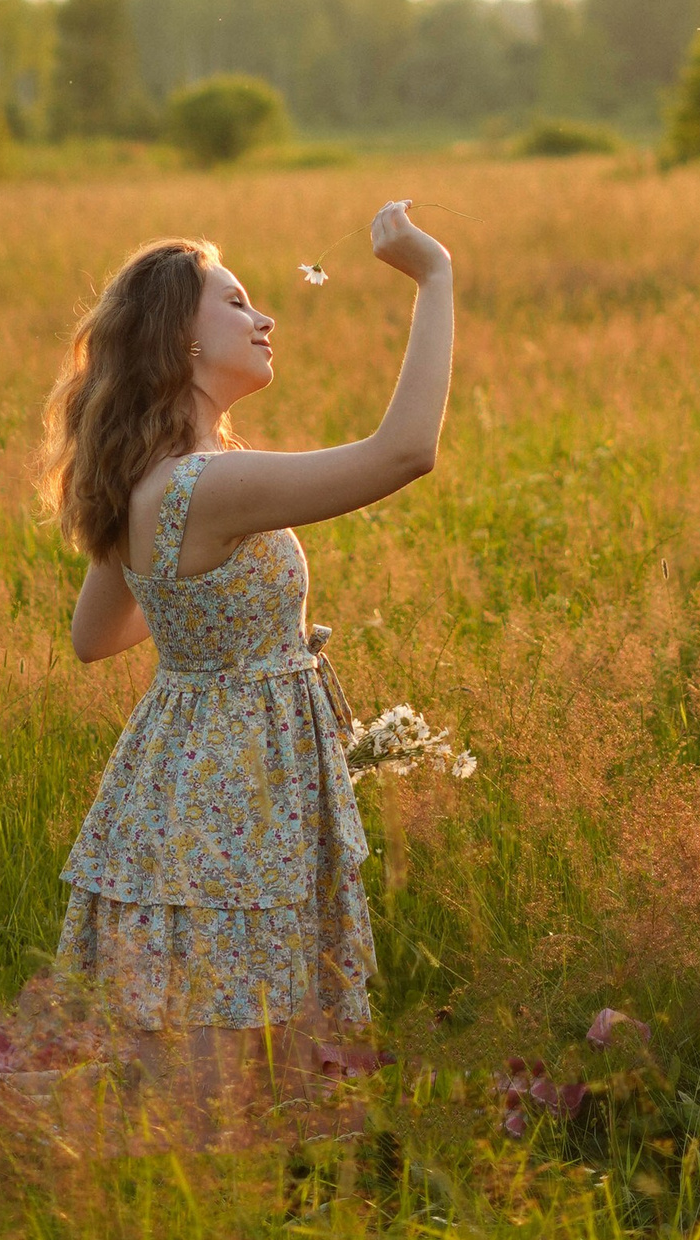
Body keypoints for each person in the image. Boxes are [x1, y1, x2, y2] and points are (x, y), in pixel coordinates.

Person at [37, 199, 455, 1071]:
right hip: (232, 795)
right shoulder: (204, 485)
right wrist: (436, 276)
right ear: (177, 342)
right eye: (234, 302)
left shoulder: (150, 482)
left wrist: (213, 624)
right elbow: (404, 452)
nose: (264, 317)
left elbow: (95, 636)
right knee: (228, 1069)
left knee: (219, 1052)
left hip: (192, 780)